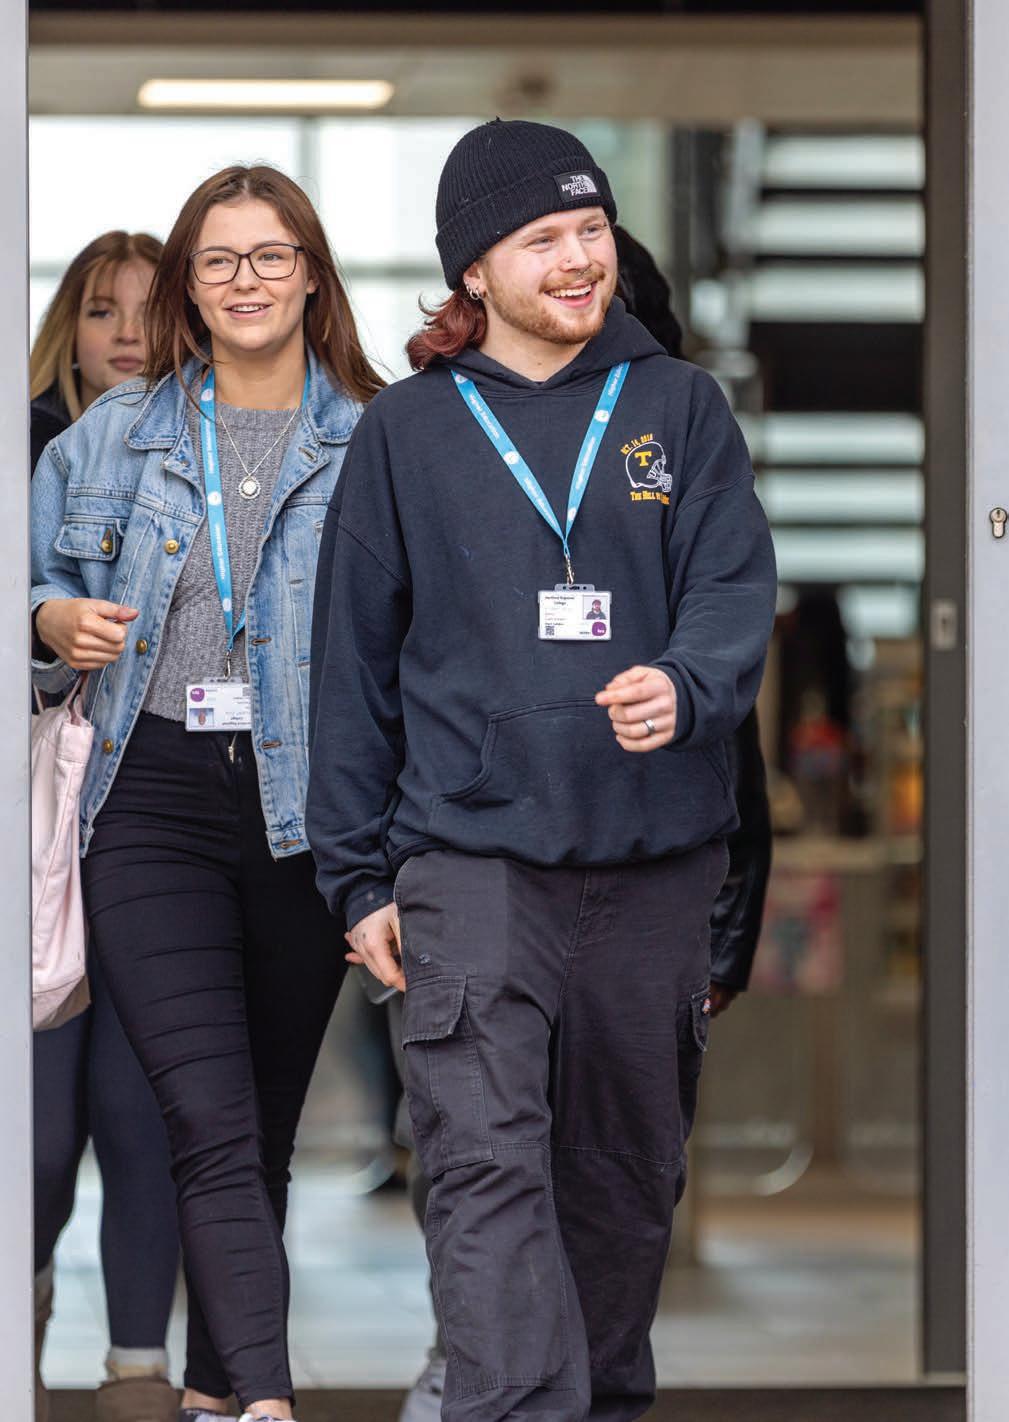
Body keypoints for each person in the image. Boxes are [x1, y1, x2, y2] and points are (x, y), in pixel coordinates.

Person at [307, 119, 777, 1422]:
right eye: (541, 239)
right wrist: (356, 877)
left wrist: (684, 681)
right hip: (472, 868)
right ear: (474, 270)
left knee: (623, 1192)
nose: (578, 259)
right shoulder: (408, 431)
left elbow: (732, 588)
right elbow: (351, 664)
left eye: (590, 229)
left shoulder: (680, 408)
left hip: (653, 868)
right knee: (482, 1176)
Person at [31, 165, 383, 1422]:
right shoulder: (111, 436)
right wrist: (48, 619)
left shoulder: (379, 439)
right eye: (218, 260)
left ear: (311, 276)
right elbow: (24, 586)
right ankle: (269, 1404)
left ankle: (215, 1396)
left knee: (262, 1130)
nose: (245, 281)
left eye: (270, 255)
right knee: (208, 1118)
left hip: (309, 811)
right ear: (189, 284)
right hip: (150, 801)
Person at [30, 229, 183, 1422]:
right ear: (64, 333)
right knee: (34, 1136)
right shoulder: (24, 458)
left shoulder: (212, 455)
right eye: (99, 310)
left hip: (155, 834)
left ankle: (139, 1376)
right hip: (34, 842)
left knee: (144, 1116)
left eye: (146, 309)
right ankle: (17, 1329)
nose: (127, 334)